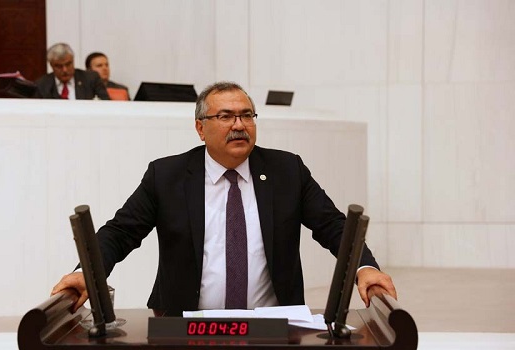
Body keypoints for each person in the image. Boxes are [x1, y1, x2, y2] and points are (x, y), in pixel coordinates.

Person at [51, 81, 397, 315]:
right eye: (226, 116)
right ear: (200, 128)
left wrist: (364, 267)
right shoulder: (167, 176)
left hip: (273, 326)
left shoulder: (286, 170)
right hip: (184, 324)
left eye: (246, 115)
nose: (239, 125)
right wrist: (87, 273)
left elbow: (333, 226)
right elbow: (120, 232)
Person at [34, 43, 109, 100]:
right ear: (51, 65)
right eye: (59, 66)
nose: (65, 70)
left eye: (68, 64)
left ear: (73, 60)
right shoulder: (42, 85)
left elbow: (107, 105)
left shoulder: (91, 79)